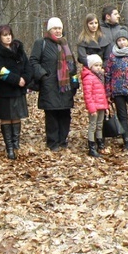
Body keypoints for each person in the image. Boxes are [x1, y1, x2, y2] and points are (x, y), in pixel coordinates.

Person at [29, 17, 79, 152]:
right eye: (55, 28)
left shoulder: (65, 44)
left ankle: (63, 140)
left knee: (65, 113)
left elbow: (72, 65)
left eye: (59, 28)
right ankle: (53, 142)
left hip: (66, 86)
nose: (57, 31)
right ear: (49, 30)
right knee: (52, 114)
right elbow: (33, 61)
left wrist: (74, 82)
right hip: (49, 85)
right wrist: (44, 75)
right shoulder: (41, 43)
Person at [0, 24, 33, 160]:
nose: (8, 37)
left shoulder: (18, 49)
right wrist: (16, 79)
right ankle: (9, 146)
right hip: (4, 90)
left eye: (9, 34)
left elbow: (28, 66)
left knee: (17, 116)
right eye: (4, 35)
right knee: (6, 117)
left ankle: (16, 143)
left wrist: (25, 79)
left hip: (19, 88)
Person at [81, 54, 109, 157]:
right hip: (94, 106)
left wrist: (106, 107)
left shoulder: (100, 77)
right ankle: (91, 146)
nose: (98, 68)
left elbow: (103, 94)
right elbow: (87, 95)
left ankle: (100, 144)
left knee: (99, 125)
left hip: (101, 105)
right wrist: (91, 108)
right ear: (90, 66)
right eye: (96, 65)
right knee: (93, 125)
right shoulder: (88, 78)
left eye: (100, 65)